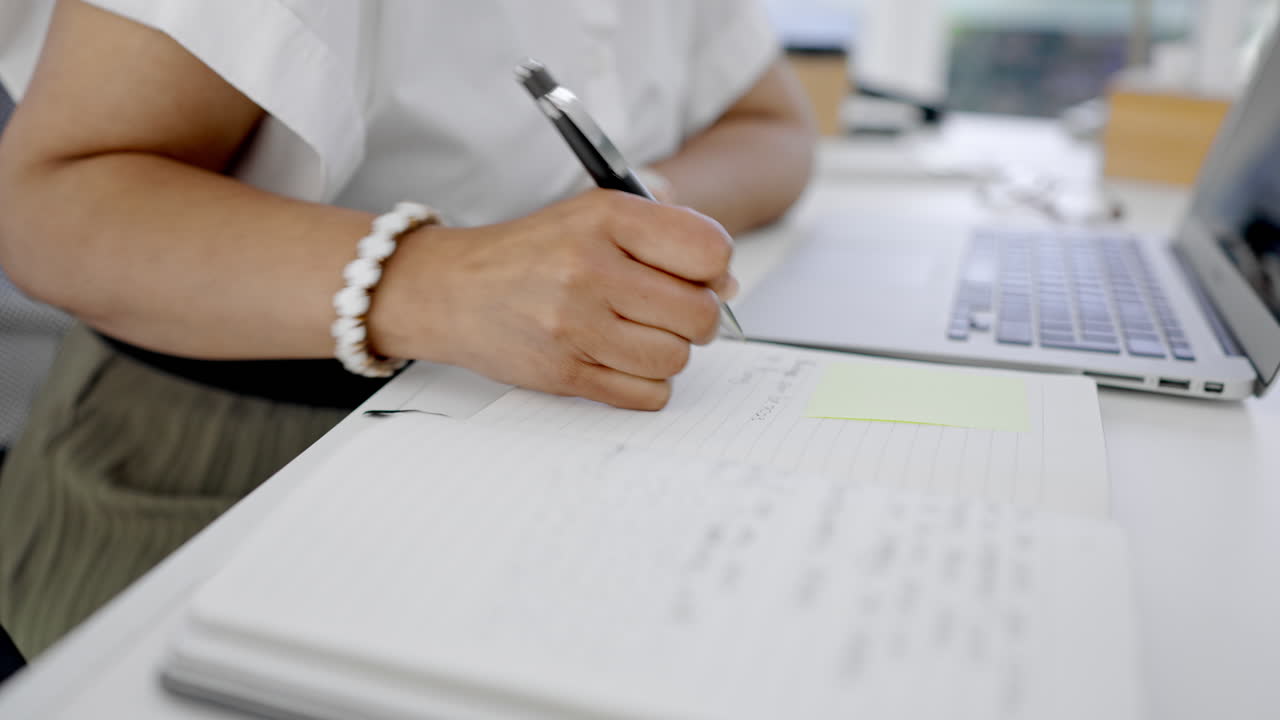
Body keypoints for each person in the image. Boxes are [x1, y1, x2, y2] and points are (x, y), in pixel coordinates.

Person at [0, 0, 816, 658]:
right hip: (218, 462)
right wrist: (447, 281)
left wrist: (634, 221)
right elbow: (51, 203)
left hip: (550, 451)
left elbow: (777, 125)